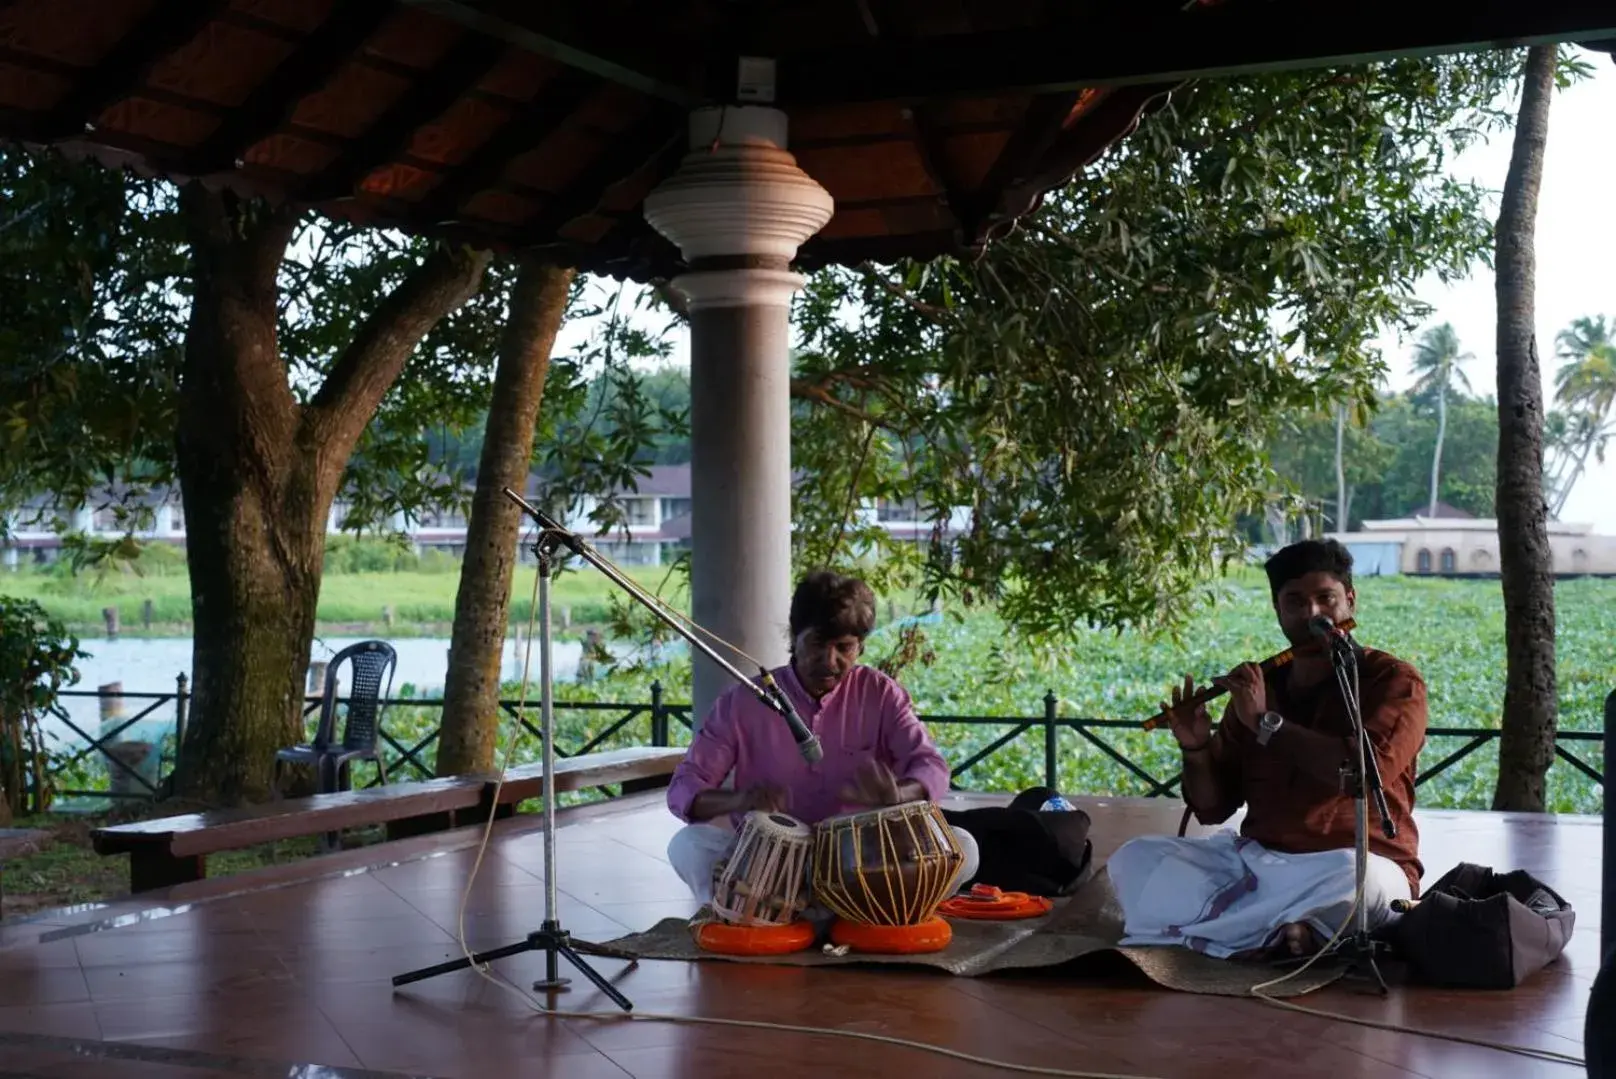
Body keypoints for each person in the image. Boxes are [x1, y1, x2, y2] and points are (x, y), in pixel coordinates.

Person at [1107, 538, 1427, 959]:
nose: (1312, 614)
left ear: (1350, 600)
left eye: (1324, 599)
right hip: (1262, 864)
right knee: (1137, 858)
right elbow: (1212, 808)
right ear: (1278, 611)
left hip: (1353, 863)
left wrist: (1265, 724)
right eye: (1295, 602)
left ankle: (1235, 931)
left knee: (1364, 885)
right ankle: (1287, 933)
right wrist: (1196, 748)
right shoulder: (1262, 688)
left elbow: (1362, 773)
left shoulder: (1393, 682)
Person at [665, 570, 978, 907]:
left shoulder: (881, 694)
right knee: (688, 845)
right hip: (769, 865)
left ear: (860, 647)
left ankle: (840, 912)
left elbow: (929, 765)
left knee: (964, 847)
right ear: (795, 637)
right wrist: (738, 800)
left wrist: (899, 794)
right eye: (817, 643)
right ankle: (775, 912)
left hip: (861, 864)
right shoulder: (744, 701)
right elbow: (685, 787)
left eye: (844, 647)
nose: (830, 661)